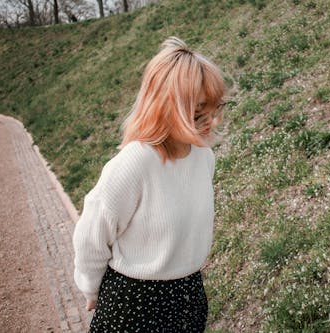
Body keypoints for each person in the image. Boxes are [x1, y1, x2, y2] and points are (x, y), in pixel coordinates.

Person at [73, 36, 226, 332]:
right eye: (197, 114)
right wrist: (90, 288)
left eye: (214, 110)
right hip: (134, 304)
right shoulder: (135, 163)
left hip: (189, 296)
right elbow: (91, 235)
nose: (211, 123)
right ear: (164, 108)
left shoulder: (204, 157)